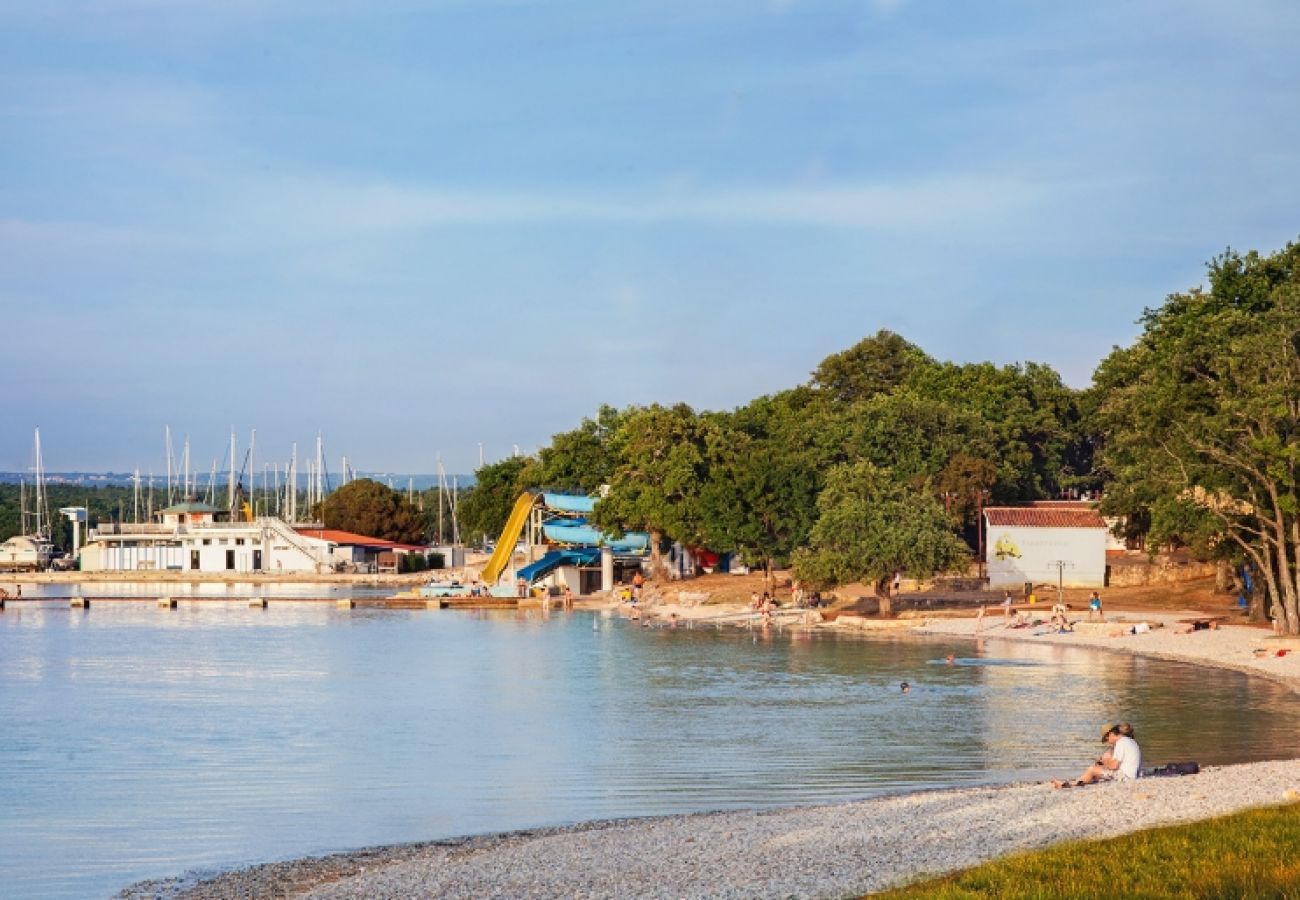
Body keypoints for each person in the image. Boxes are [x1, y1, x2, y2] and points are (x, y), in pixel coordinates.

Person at [1053, 723, 1141, 788]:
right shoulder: (1128, 741)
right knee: (1106, 758)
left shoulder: (1121, 743)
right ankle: (1083, 780)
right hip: (1131, 774)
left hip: (1126, 777)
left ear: (1110, 734)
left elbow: (1114, 766)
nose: (1108, 742)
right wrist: (1103, 763)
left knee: (1092, 769)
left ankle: (1070, 785)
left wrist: (1102, 763)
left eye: (1107, 739)